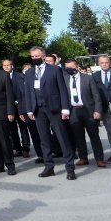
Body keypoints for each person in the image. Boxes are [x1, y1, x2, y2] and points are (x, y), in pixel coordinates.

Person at [23, 46, 77, 180]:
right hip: (38, 109)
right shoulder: (29, 73)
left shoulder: (55, 70)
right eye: (32, 56)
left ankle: (70, 168)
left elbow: (62, 90)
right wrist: (29, 109)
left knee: (62, 137)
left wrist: (65, 108)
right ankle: (48, 166)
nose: (35, 58)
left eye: (37, 56)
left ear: (43, 56)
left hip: (54, 108)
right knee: (44, 139)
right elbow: (28, 92)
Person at [63, 60, 105, 168]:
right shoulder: (65, 79)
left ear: (77, 67)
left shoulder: (88, 78)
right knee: (78, 136)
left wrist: (97, 110)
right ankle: (83, 158)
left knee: (94, 136)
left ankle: (99, 159)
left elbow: (96, 96)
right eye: (67, 67)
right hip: (73, 111)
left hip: (88, 110)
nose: (69, 69)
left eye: (71, 67)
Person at [2, 59, 34, 159]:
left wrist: (17, 102)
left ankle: (26, 148)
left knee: (23, 128)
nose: (6, 67)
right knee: (12, 129)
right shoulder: (1, 77)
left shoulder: (20, 76)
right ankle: (17, 148)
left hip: (20, 105)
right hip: (8, 107)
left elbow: (23, 92)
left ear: (12, 66)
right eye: (4, 65)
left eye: (8, 65)